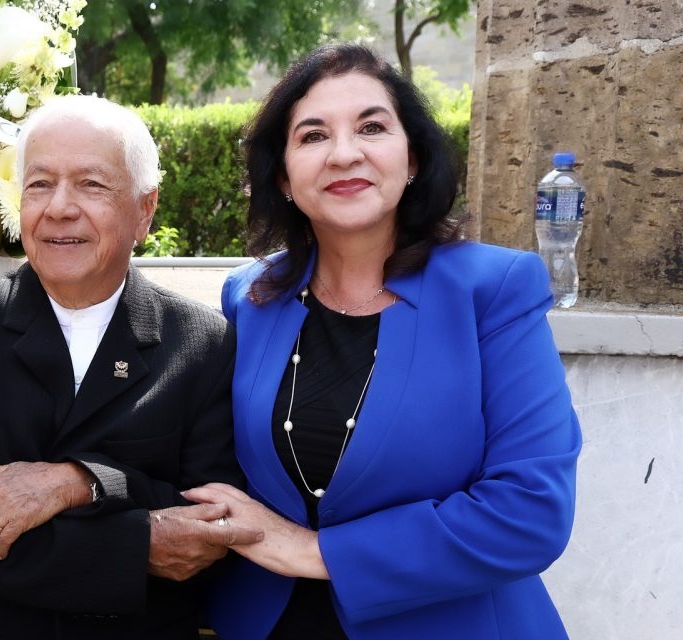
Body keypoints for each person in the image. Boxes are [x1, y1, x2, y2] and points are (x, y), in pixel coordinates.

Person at [184, 43, 582, 639]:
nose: (345, 154)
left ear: (413, 157)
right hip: (269, 621)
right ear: (284, 178)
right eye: (313, 136)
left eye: (372, 127)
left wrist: (316, 552)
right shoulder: (251, 297)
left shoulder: (494, 290)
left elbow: (530, 512)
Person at [0, 95, 255, 640]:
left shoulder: (201, 343)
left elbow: (203, 524)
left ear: (145, 209)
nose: (60, 208)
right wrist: (137, 543)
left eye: (91, 185)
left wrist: (81, 482)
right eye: (40, 184)